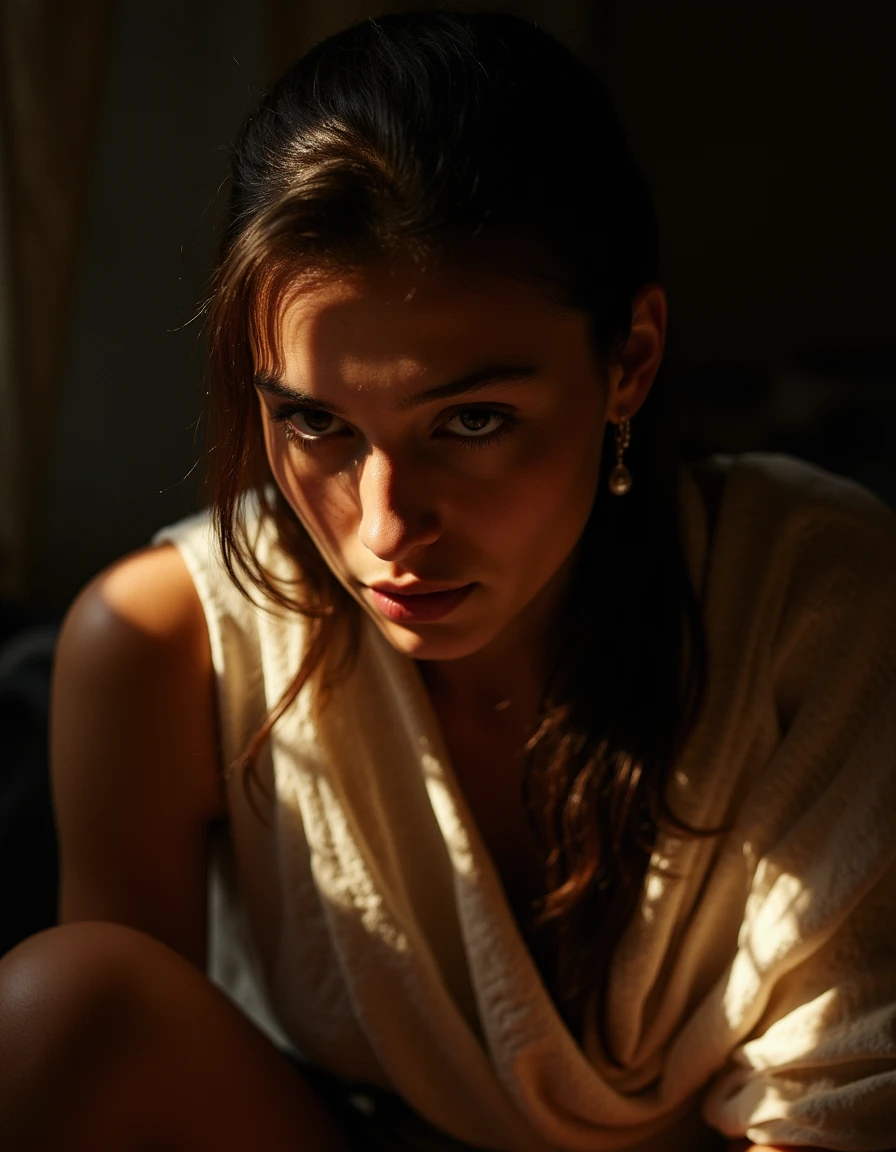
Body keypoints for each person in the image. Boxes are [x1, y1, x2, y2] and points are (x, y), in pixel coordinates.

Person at [1, 10, 894, 1151]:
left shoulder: (816, 599)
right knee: (55, 1011)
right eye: (315, 423)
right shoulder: (161, 646)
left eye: (470, 421)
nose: (386, 527)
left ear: (627, 362)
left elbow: (841, 1104)